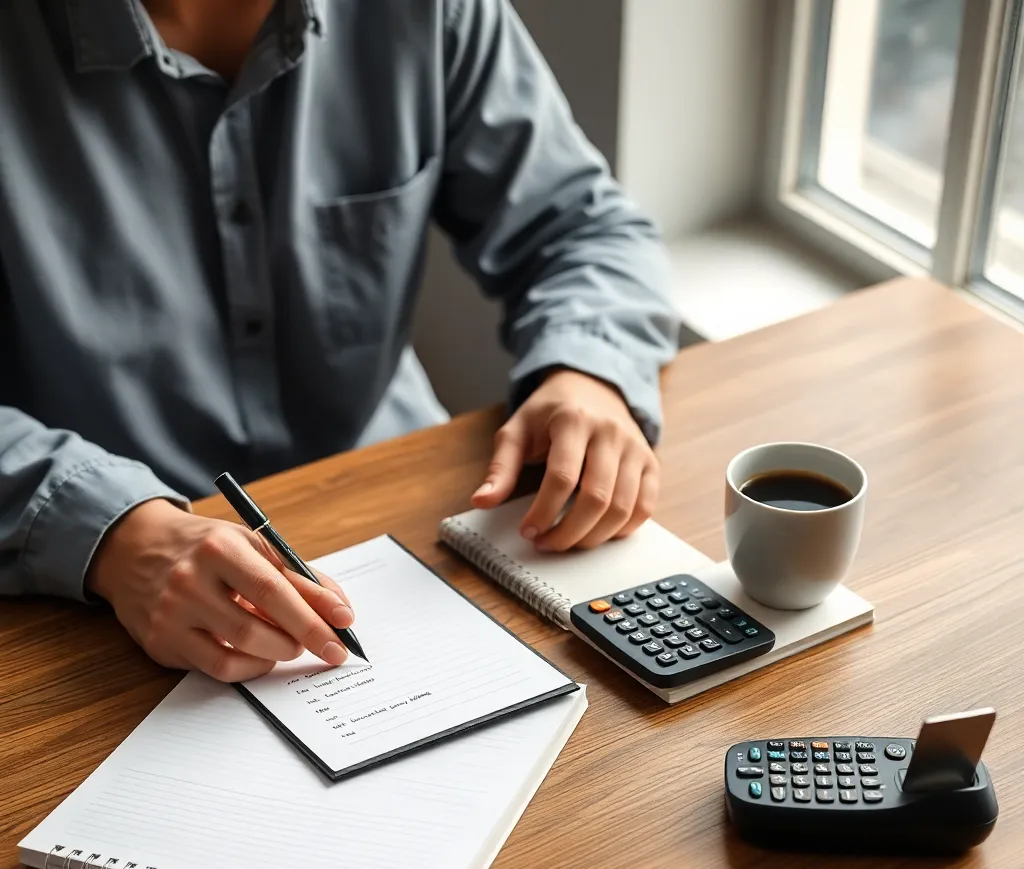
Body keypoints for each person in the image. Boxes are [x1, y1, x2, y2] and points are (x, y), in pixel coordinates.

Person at [0, 0, 680, 681]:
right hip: (84, 606)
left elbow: (579, 229)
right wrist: (116, 534)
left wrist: (587, 371)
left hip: (411, 511)